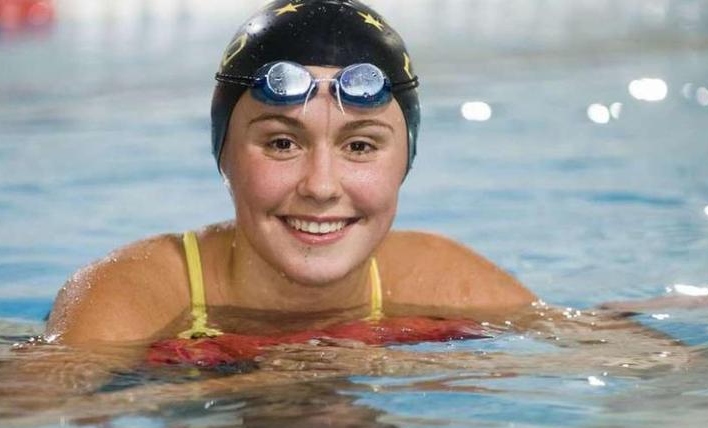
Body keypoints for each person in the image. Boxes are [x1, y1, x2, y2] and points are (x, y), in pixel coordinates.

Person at [46, 0, 534, 349]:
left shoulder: (440, 280)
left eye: (360, 145)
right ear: (224, 154)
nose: (321, 187)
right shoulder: (132, 297)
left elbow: (597, 357)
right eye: (282, 143)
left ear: (405, 161)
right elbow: (29, 425)